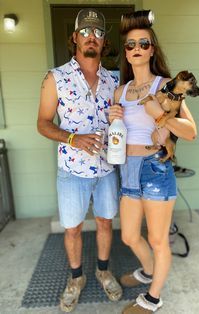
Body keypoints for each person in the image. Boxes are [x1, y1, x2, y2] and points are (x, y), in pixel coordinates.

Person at [109, 10, 197, 314]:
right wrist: (114, 120)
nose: (136, 49)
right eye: (131, 44)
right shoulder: (119, 91)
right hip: (128, 170)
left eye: (143, 43)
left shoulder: (166, 86)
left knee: (158, 240)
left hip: (154, 168)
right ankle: (148, 270)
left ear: (152, 49)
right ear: (126, 52)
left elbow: (191, 132)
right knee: (130, 235)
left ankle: (154, 298)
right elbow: (119, 134)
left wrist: (159, 116)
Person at [37, 8, 122, 313]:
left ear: (104, 42)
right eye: (85, 32)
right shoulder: (55, 77)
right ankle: (76, 279)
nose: (91, 38)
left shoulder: (114, 81)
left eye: (98, 33)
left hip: (106, 169)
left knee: (104, 221)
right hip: (72, 171)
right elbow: (43, 123)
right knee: (72, 228)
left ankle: (102, 270)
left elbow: (122, 123)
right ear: (74, 38)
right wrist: (73, 139)